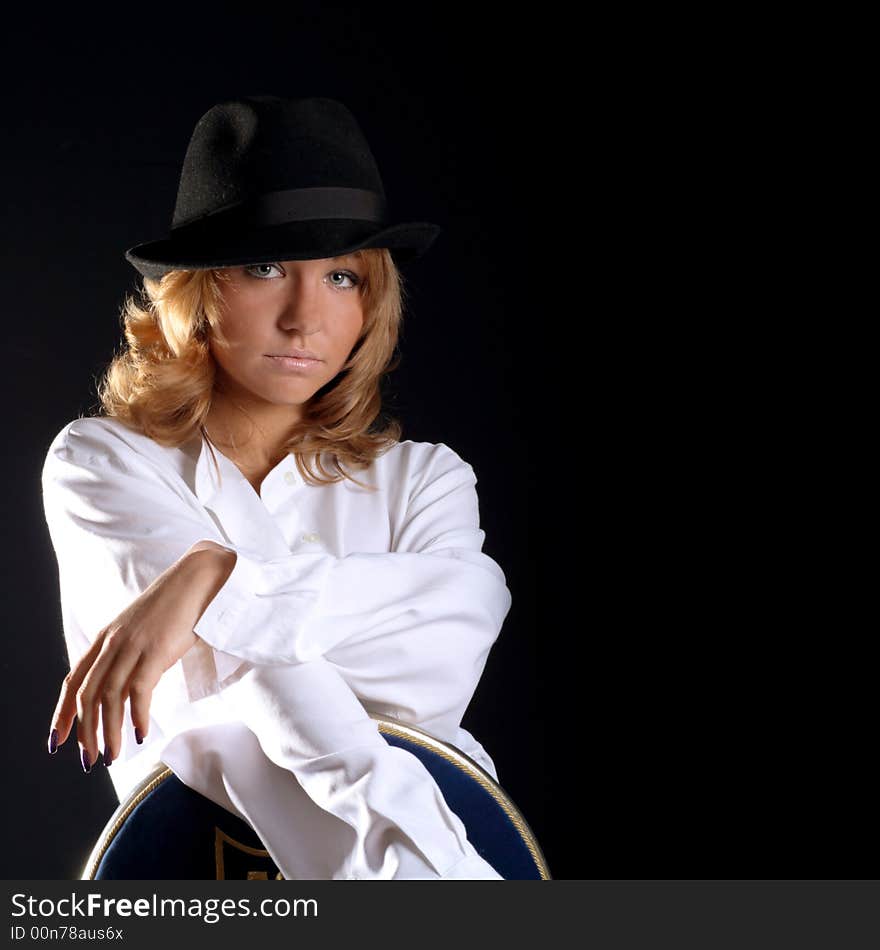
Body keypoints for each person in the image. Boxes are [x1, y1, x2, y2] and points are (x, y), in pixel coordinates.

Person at [40, 95, 511, 880]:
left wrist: (209, 581)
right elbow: (218, 695)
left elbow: (450, 645)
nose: (305, 317)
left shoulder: (424, 479)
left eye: (340, 276)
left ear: (374, 302)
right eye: (263, 268)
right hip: (193, 867)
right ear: (194, 291)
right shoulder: (105, 462)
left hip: (459, 813)